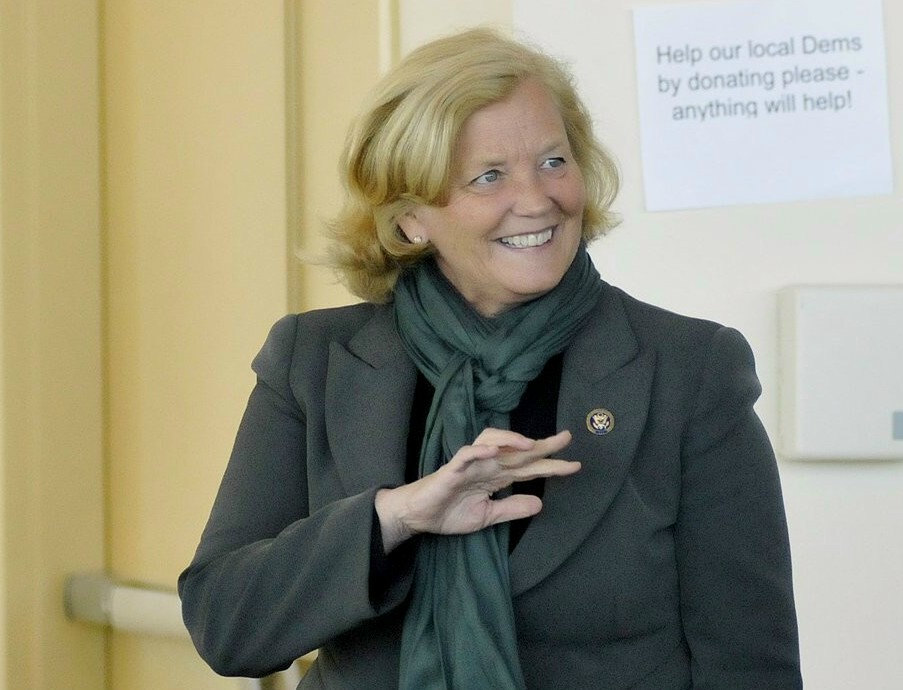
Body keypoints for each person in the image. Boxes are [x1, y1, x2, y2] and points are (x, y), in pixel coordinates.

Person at [179, 27, 802, 690]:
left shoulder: (689, 370)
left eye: (554, 161)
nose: (537, 200)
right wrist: (397, 517)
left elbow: (750, 667)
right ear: (411, 216)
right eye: (489, 176)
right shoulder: (314, 361)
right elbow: (227, 624)